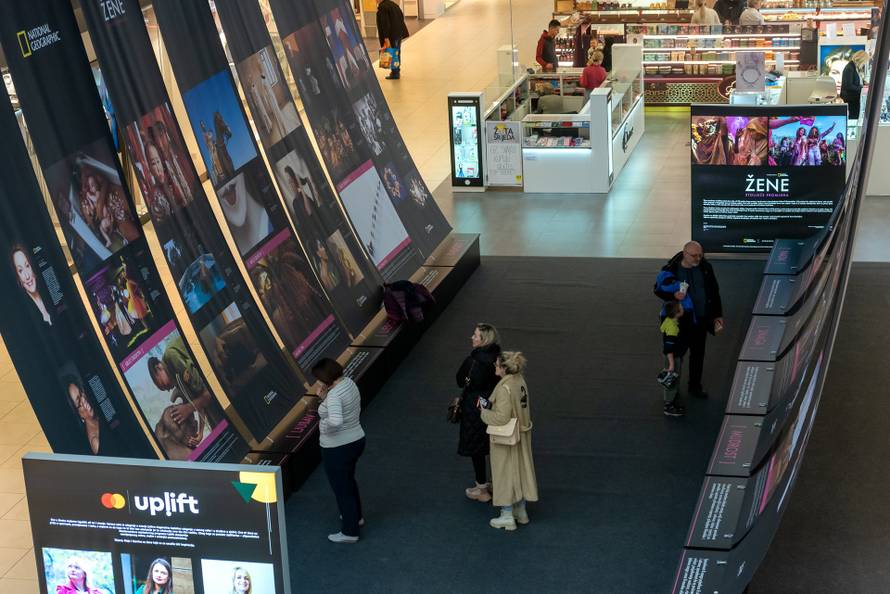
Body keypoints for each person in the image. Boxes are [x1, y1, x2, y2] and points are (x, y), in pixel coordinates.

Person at [654, 241, 723, 399]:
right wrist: (673, 296)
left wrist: (718, 315)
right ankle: (673, 391)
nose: (698, 258)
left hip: (701, 319)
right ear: (684, 253)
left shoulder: (706, 268)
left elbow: (714, 291)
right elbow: (657, 289)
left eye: (700, 255)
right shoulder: (671, 269)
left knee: (698, 354)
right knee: (677, 357)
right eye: (694, 256)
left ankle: (695, 386)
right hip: (681, 322)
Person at [478, 351, 539, 531]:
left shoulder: (504, 389)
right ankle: (521, 511)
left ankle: (506, 515)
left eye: (497, 364)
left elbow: (502, 418)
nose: (494, 367)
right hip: (522, 434)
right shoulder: (519, 381)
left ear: (504, 368)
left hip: (507, 439)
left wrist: (484, 412)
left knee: (505, 473)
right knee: (519, 472)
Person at [313, 357, 365, 543]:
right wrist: (325, 399)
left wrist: (322, 426)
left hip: (338, 448)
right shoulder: (348, 383)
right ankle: (356, 517)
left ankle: (350, 532)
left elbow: (335, 420)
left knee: (341, 488)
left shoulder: (334, 395)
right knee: (348, 481)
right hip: (356, 439)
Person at [456, 324, 501, 502]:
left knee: (477, 448)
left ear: (483, 340)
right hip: (495, 403)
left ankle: (481, 489)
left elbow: (460, 381)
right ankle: (498, 484)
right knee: (496, 446)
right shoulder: (498, 358)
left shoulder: (472, 361)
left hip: (474, 407)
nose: (471, 337)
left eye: (475, 335)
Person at [658, 301, 688, 417]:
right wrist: (671, 364)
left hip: (675, 356)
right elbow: (668, 348)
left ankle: (672, 400)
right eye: (681, 307)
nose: (683, 308)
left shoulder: (669, 321)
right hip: (673, 358)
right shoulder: (673, 328)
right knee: (671, 381)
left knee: (674, 379)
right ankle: (668, 406)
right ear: (677, 313)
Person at [11, 244, 52, 326]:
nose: (27, 276)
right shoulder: (24, 312)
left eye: (27, 266)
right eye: (20, 270)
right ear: (18, 277)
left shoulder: (49, 293)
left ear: (32, 266)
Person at [65, 377, 101, 454]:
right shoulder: (95, 441)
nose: (83, 400)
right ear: (78, 414)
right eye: (78, 402)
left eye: (81, 393)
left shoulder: (100, 414)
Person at [376, 0, 409, 80]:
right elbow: (401, 16)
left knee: (392, 52)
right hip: (398, 33)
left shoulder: (382, 7)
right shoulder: (393, 4)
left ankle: (395, 73)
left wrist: (386, 38)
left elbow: (385, 23)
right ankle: (396, 71)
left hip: (391, 35)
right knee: (396, 52)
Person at [841, 50, 868, 120]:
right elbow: (848, 85)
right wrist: (861, 88)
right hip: (850, 97)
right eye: (864, 61)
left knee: (856, 114)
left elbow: (857, 79)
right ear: (861, 59)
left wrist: (865, 83)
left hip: (854, 95)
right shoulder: (849, 68)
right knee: (854, 116)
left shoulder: (855, 67)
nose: (864, 63)